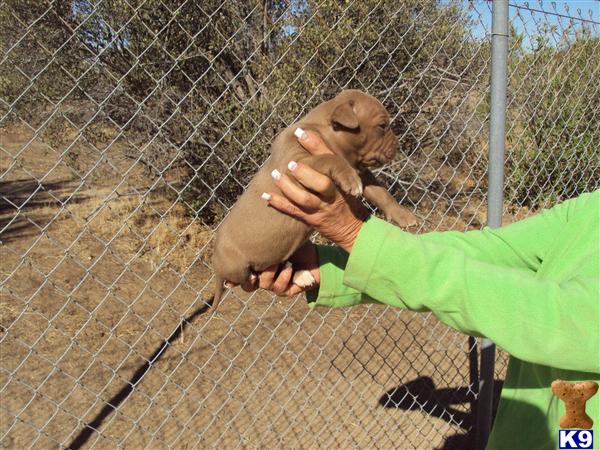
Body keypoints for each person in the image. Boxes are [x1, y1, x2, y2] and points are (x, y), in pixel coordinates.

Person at [245, 128, 599, 450]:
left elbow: (553, 318)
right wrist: (330, 265)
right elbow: (490, 254)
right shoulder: (589, 211)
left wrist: (359, 236)